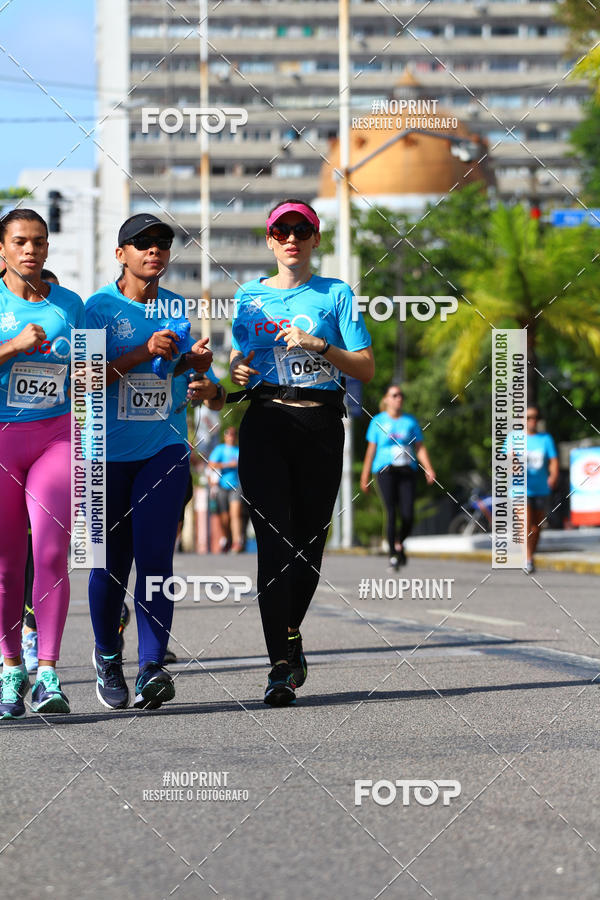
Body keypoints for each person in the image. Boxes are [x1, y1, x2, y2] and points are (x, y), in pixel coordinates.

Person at [229, 198, 374, 706]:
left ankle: (290, 635)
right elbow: (238, 358)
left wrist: (319, 347)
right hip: (266, 421)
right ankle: (280, 664)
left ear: (315, 239)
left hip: (318, 423)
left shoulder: (336, 294)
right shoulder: (248, 295)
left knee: (308, 546)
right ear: (269, 240)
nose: (291, 237)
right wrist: (238, 371)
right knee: (273, 544)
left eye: (302, 229)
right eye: (281, 230)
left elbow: (365, 368)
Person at [85, 213, 215, 711]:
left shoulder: (176, 306)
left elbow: (171, 370)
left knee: (156, 561)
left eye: (162, 243)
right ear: (121, 254)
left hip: (163, 450)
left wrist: (193, 364)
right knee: (110, 567)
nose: (154, 251)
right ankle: (106, 657)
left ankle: (152, 668)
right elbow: (85, 382)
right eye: (142, 244)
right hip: (105, 456)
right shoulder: (98, 309)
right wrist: (142, 350)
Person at [0, 209, 85, 718]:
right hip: (3, 436)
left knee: (51, 551)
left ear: (48, 249)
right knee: (7, 563)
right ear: (2, 250)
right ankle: (11, 667)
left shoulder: (70, 305)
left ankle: (48, 672)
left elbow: (92, 377)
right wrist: (13, 346)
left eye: (38, 241)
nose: (30, 249)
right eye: (19, 242)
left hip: (56, 436)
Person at [360, 385, 435, 570]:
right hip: (385, 471)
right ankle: (393, 554)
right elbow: (371, 451)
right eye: (394, 395)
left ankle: (399, 542)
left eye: (401, 395)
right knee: (391, 511)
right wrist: (364, 476)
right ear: (386, 399)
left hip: (406, 470)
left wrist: (428, 468)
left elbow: (419, 447)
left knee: (408, 514)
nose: (398, 398)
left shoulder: (410, 422)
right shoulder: (377, 421)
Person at [518, 406, 559, 574]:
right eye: (528, 417)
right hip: (520, 488)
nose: (532, 420)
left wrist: (554, 475)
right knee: (525, 523)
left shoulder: (545, 439)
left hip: (541, 488)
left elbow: (554, 460)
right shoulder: (514, 438)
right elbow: (505, 458)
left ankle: (530, 556)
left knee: (536, 527)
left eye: (534, 417)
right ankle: (528, 559)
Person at [208, 426, 244, 552]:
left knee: (235, 514)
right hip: (222, 486)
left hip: (236, 486)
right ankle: (226, 539)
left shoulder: (239, 450)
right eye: (229, 434)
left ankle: (237, 542)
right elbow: (211, 465)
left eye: (234, 434)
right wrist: (228, 465)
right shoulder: (220, 449)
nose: (231, 436)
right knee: (225, 517)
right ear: (225, 436)